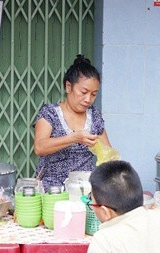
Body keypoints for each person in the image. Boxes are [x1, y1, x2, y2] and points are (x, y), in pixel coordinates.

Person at [33, 55, 111, 189]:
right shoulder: (50, 113)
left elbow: (108, 153)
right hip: (52, 190)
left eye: (93, 94)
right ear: (68, 87)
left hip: (84, 189)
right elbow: (40, 148)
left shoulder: (95, 116)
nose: (88, 99)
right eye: (83, 92)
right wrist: (74, 138)